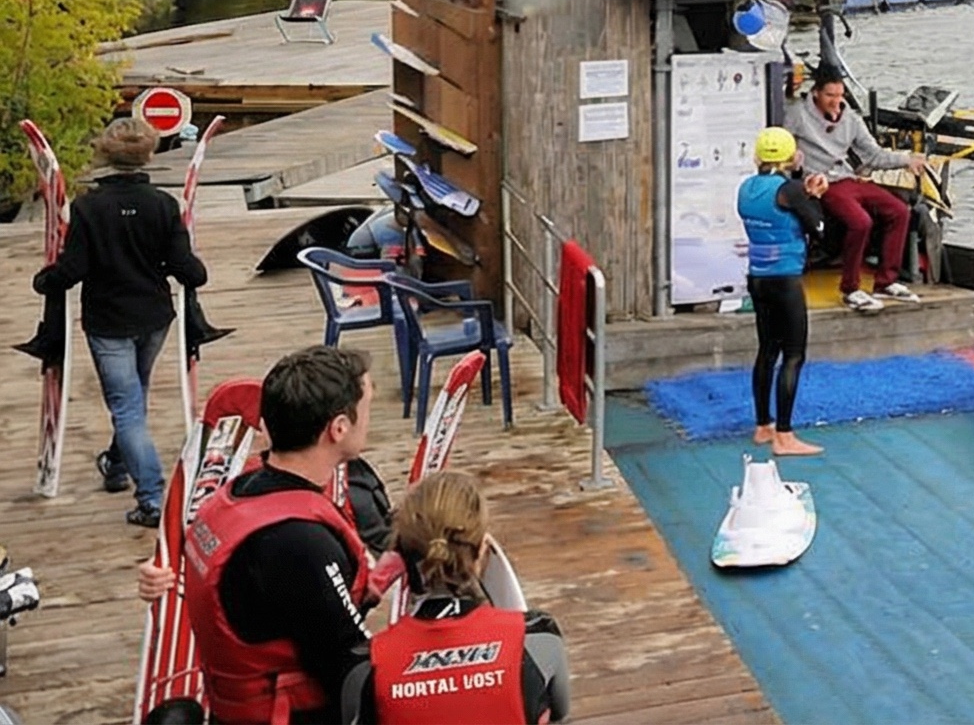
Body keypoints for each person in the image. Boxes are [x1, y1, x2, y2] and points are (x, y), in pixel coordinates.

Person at [159, 345, 380, 725]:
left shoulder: (230, 500)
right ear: (338, 427)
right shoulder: (297, 541)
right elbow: (353, 665)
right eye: (368, 407)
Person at [30, 119, 209, 529]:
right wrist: (190, 267)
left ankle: (151, 498)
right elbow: (190, 272)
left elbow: (72, 269)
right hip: (155, 318)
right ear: (148, 154)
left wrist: (44, 281)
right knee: (133, 397)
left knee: (127, 405)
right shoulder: (164, 205)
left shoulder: (89, 208)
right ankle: (115, 464)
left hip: (109, 320)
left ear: (104, 154)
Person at [341, 470, 570, 725]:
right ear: (483, 549)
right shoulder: (538, 637)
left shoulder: (365, 665)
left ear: (402, 552)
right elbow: (559, 710)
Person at [786, 63, 916, 314]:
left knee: (899, 211)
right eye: (830, 96)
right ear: (815, 93)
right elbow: (784, 149)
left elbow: (874, 155)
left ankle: (886, 281)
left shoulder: (851, 119)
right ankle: (850, 287)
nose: (836, 102)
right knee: (860, 222)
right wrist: (796, 177)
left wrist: (908, 160)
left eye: (840, 95)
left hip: (847, 178)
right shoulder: (797, 114)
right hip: (822, 182)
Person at [737, 127, 824, 456]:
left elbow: (778, 205)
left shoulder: (746, 188)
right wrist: (813, 197)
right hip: (785, 279)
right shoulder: (788, 189)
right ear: (791, 157)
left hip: (757, 276)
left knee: (766, 350)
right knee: (794, 354)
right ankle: (785, 436)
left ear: (758, 157)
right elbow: (818, 228)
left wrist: (801, 189)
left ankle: (763, 425)